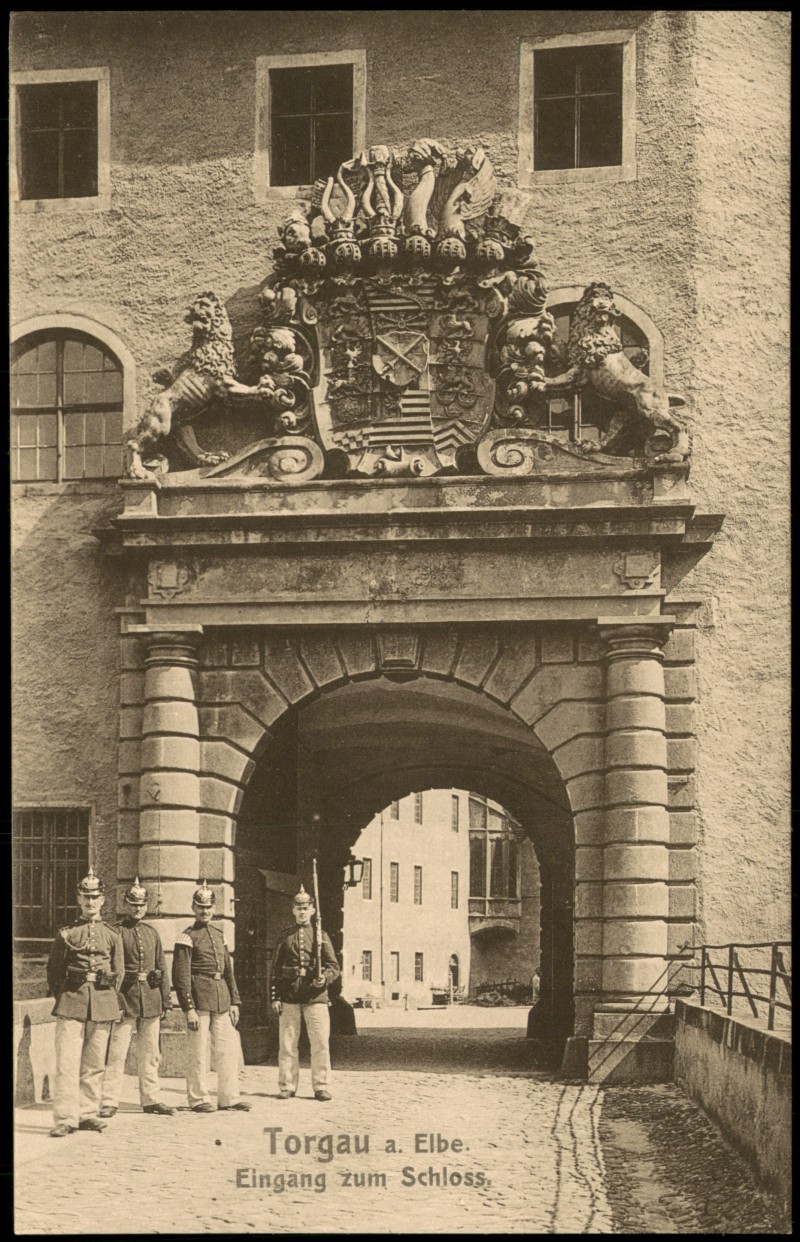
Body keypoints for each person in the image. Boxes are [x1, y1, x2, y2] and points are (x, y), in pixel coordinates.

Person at [46, 867, 124, 1137]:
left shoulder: (113, 935)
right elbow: (54, 973)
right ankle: (66, 1118)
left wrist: (107, 1000)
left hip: (102, 1004)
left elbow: (119, 972)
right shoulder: (67, 934)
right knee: (67, 1065)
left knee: (94, 1065)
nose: (90, 902)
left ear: (103, 900)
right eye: (85, 897)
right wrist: (66, 997)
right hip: (71, 1004)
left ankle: (88, 1113)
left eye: (95, 897)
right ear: (78, 899)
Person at [171, 880, 250, 1113]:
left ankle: (229, 1097)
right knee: (198, 1051)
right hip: (199, 999)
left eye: (208, 907)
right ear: (193, 908)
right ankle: (198, 1098)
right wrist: (188, 1008)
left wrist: (235, 1000)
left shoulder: (219, 935)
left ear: (214, 909)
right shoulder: (186, 937)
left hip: (222, 999)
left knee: (227, 1050)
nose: (205, 911)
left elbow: (228, 971)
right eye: (200, 907)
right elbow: (181, 976)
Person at [99, 878, 174, 1118]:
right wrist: (115, 1001)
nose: (138, 909)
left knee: (151, 1053)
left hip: (150, 998)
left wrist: (165, 999)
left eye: (142, 905)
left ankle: (151, 1099)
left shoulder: (152, 934)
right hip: (126, 999)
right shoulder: (117, 931)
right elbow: (112, 970)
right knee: (117, 1052)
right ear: (125, 904)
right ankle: (110, 1100)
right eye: (133, 904)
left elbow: (161, 968)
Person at [270, 884, 340, 1101]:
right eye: (298, 908)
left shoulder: (321, 936)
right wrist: (275, 997)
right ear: (293, 910)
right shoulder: (285, 937)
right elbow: (275, 970)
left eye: (305, 908)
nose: (302, 912)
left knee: (319, 1043)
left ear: (312, 910)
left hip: (315, 997)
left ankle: (321, 1086)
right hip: (290, 996)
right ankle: (287, 1086)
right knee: (288, 1044)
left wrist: (324, 978)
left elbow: (334, 967)